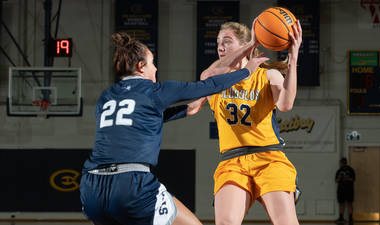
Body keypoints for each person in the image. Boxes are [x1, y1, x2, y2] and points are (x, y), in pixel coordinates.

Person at [79, 32, 267, 225]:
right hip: (131, 185)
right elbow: (209, 84)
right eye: (152, 63)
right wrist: (247, 72)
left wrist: (185, 110)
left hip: (91, 188)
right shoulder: (155, 91)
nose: (156, 68)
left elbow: (135, 120)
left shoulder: (106, 96)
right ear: (141, 66)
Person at [200, 19, 302, 225]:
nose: (220, 46)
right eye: (218, 41)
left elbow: (286, 104)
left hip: (269, 157)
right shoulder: (214, 79)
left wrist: (293, 56)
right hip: (232, 161)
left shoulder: (268, 75)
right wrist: (252, 45)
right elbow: (208, 74)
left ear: (245, 44)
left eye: (227, 41)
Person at [335, 157, 356, 223]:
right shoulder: (339, 171)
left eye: (342, 163)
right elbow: (336, 180)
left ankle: (350, 218)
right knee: (342, 204)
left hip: (349, 190)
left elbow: (353, 179)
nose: (341, 164)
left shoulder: (350, 170)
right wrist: (340, 177)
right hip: (341, 190)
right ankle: (341, 218)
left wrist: (347, 178)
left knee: (349, 203)